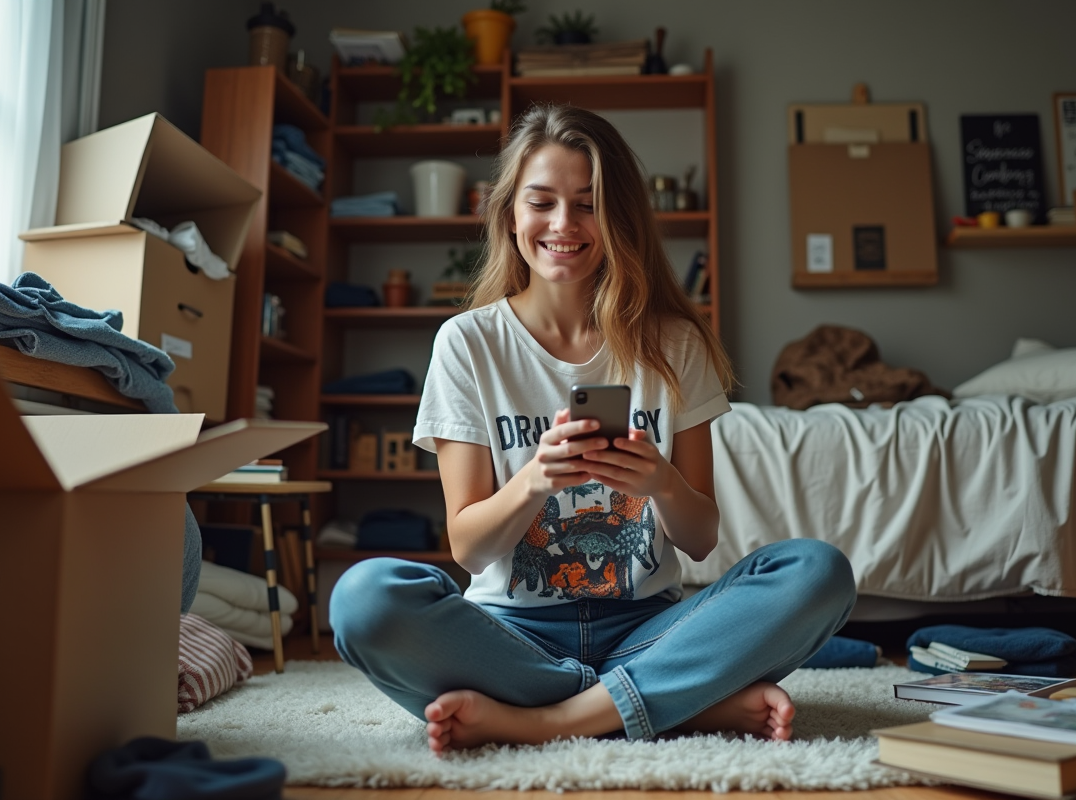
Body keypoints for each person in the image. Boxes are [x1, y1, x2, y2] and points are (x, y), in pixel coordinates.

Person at [330, 104, 856, 753]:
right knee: (363, 600)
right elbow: (467, 547)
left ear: (619, 216)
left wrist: (661, 482)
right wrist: (532, 481)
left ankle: (548, 719)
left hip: (650, 627)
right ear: (510, 214)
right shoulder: (467, 344)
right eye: (542, 202)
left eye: (587, 204)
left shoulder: (675, 344)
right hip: (510, 635)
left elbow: (699, 538)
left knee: (818, 571)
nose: (563, 225)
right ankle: (671, 701)